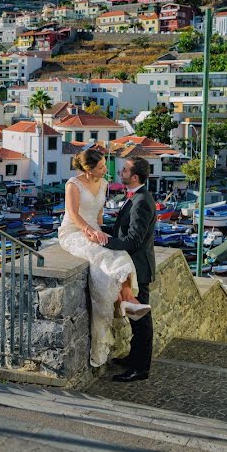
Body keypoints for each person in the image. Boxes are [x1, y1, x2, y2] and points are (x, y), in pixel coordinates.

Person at [58, 150, 151, 369]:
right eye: (101, 167)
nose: (106, 170)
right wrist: (89, 231)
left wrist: (100, 231)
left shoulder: (104, 183)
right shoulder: (73, 184)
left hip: (95, 230)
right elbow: (73, 214)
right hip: (74, 231)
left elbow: (99, 216)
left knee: (120, 256)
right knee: (101, 255)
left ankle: (127, 297)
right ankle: (128, 300)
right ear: (88, 169)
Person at [92, 156, 157, 383]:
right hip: (131, 266)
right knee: (134, 317)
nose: (120, 172)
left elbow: (133, 241)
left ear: (135, 176)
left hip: (138, 267)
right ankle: (133, 358)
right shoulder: (135, 197)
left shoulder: (141, 201)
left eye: (125, 170)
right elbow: (122, 231)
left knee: (141, 320)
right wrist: (100, 230)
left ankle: (141, 368)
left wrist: (104, 242)